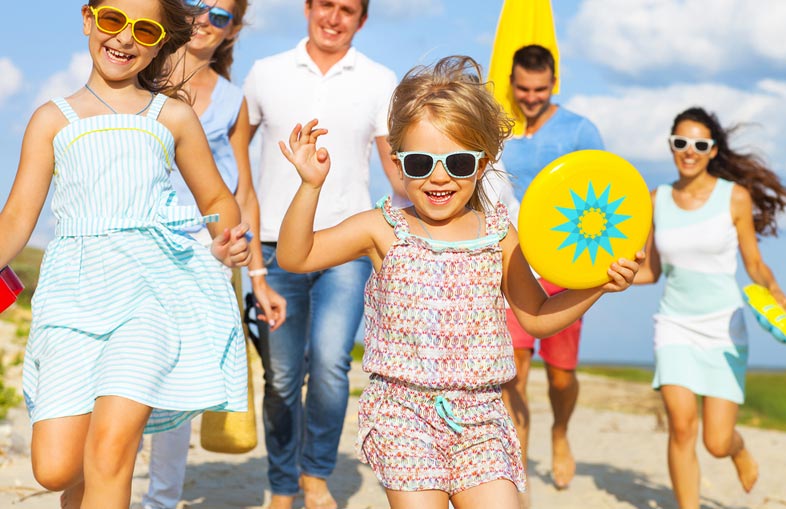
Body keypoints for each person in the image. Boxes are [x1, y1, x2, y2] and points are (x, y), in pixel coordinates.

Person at [276, 55, 642, 509]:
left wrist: (598, 286)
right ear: (397, 161)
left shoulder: (499, 233)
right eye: (419, 162)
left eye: (459, 162)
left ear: (483, 162)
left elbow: (538, 316)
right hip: (403, 415)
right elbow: (296, 256)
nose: (439, 176)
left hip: (482, 418)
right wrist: (310, 185)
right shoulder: (382, 228)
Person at [0, 1, 253, 507]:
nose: (125, 38)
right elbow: (15, 220)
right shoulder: (51, 119)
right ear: (89, 19)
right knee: (57, 469)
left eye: (145, 28)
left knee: (111, 450)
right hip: (71, 299)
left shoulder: (173, 115)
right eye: (114, 20)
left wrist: (228, 239)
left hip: (152, 296)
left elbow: (218, 199)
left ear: (162, 40)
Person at [242, 1, 400, 507]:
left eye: (347, 9)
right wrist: (243, 226)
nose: (334, 18)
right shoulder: (265, 73)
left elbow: (396, 168)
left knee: (332, 365)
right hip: (273, 244)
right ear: (308, 8)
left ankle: (314, 475)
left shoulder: (380, 79)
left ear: (362, 20)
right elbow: (232, 148)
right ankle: (282, 485)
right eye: (325, 5)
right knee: (283, 376)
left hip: (346, 248)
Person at [139, 1, 287, 508]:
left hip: (206, 251)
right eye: (197, 6)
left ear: (233, 30)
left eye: (220, 15)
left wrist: (260, 275)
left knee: (177, 380)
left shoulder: (231, 99)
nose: (205, 19)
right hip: (138, 240)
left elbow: (242, 190)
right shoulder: (139, 70)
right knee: (126, 369)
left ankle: (161, 500)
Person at [635, 107, 786, 509]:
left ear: (712, 151)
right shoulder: (656, 200)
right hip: (674, 325)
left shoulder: (734, 197)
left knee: (717, 441)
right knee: (681, 425)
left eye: (700, 144)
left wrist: (776, 294)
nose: (689, 151)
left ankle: (738, 450)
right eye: (681, 143)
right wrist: (599, 278)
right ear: (671, 146)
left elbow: (754, 263)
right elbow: (651, 271)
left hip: (724, 327)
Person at [497, 44, 605, 495]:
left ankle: (560, 431)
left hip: (567, 262)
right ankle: (517, 470)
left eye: (540, 89)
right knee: (514, 367)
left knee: (561, 375)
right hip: (513, 260)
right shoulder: (500, 130)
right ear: (513, 83)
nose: (530, 97)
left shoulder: (580, 130)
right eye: (522, 88)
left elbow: (603, 198)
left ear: (554, 83)